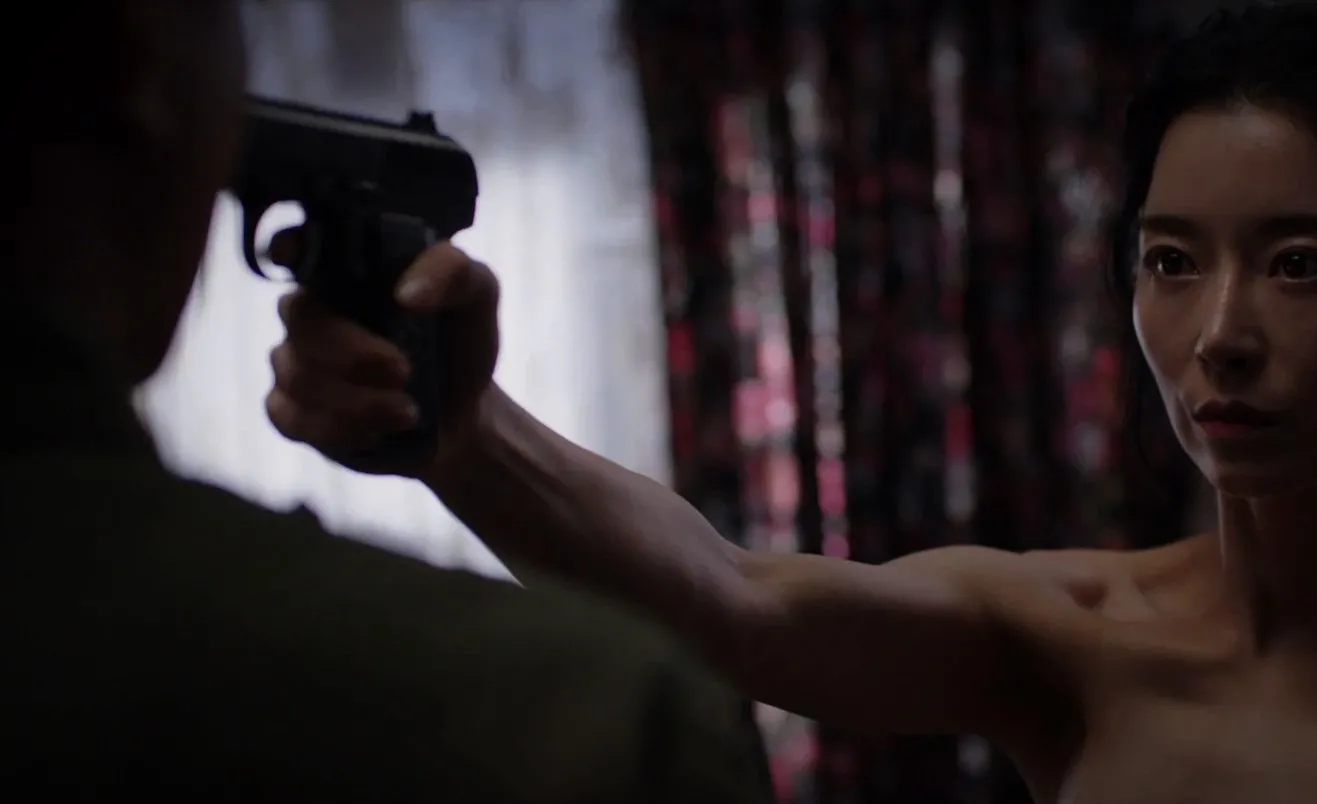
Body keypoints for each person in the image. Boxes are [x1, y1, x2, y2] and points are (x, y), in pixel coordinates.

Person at [265, 1, 1317, 802]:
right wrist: (464, 435)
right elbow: (734, 603)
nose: (1221, 336)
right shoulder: (1079, 640)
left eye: (1302, 265)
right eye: (1172, 262)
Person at [0, 3, 771, 801]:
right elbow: (741, 606)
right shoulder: (586, 729)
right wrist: (466, 440)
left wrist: (459, 436)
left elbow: (749, 610)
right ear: (140, 64)